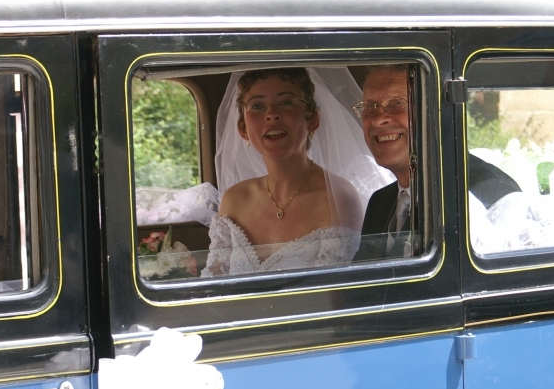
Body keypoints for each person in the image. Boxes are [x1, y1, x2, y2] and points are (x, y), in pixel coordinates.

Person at [202, 68, 380, 276]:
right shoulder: (234, 199)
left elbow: (334, 294)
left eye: (286, 102)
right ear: (243, 128)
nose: (271, 114)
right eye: (258, 106)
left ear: (312, 120)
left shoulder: (337, 197)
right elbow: (213, 284)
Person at [355, 65, 521, 260]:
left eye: (397, 104)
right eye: (369, 107)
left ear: (435, 110)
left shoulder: (486, 192)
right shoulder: (380, 202)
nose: (378, 120)